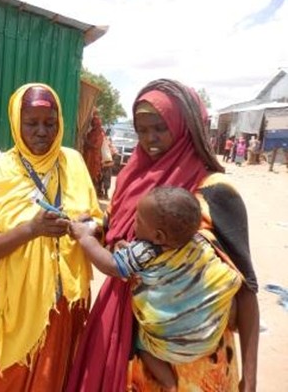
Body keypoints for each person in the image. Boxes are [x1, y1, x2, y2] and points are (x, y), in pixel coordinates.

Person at [66, 79, 259, 392]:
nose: (149, 139)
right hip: (133, 339)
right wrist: (95, 228)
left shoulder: (216, 191)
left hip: (196, 356)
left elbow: (246, 289)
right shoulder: (133, 178)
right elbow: (117, 230)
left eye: (160, 128)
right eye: (142, 130)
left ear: (186, 126)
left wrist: (249, 379)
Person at [0, 83, 103, 391]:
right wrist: (32, 229)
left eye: (50, 123)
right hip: (9, 305)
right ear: (17, 122)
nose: (42, 132)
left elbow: (98, 220)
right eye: (31, 123)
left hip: (60, 307)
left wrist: (88, 227)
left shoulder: (74, 162)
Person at [70, 186, 242, 391]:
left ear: (159, 237)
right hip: (206, 341)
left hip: (168, 348)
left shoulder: (146, 250)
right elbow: (224, 276)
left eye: (139, 221)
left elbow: (112, 265)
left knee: (141, 344)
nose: (134, 223)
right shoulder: (199, 244)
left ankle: (169, 384)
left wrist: (85, 238)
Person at [83, 108, 107, 198]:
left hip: (94, 159)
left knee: (93, 177)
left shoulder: (99, 134)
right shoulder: (91, 133)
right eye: (92, 123)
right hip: (88, 158)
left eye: (95, 123)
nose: (93, 124)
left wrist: (86, 141)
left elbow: (96, 146)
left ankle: (93, 195)